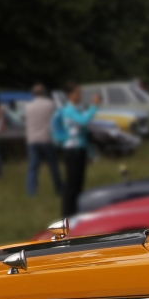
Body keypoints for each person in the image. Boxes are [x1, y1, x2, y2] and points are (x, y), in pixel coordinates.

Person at [56, 82, 100, 217]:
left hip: (80, 149)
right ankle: (67, 213)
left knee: (79, 183)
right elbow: (83, 121)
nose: (79, 95)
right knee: (72, 184)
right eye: (77, 93)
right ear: (69, 95)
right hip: (72, 150)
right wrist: (94, 106)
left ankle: (76, 211)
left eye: (80, 93)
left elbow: (84, 133)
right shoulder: (68, 110)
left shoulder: (77, 109)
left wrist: (89, 153)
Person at [24, 83, 63, 197]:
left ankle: (31, 191)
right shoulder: (51, 104)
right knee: (53, 166)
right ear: (44, 93)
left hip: (32, 139)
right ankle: (59, 188)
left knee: (33, 167)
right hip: (47, 138)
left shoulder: (28, 106)